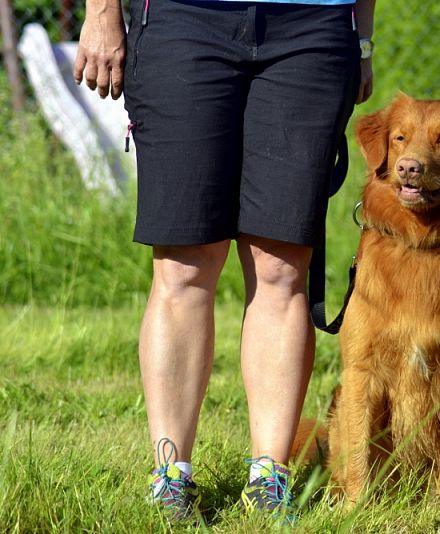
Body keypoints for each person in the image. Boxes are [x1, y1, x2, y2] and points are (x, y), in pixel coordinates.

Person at [74, 0, 375, 520]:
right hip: (183, 20)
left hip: (312, 28)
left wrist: (362, 39)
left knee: (282, 266)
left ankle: (269, 478)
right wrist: (102, 13)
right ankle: (171, 476)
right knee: (185, 265)